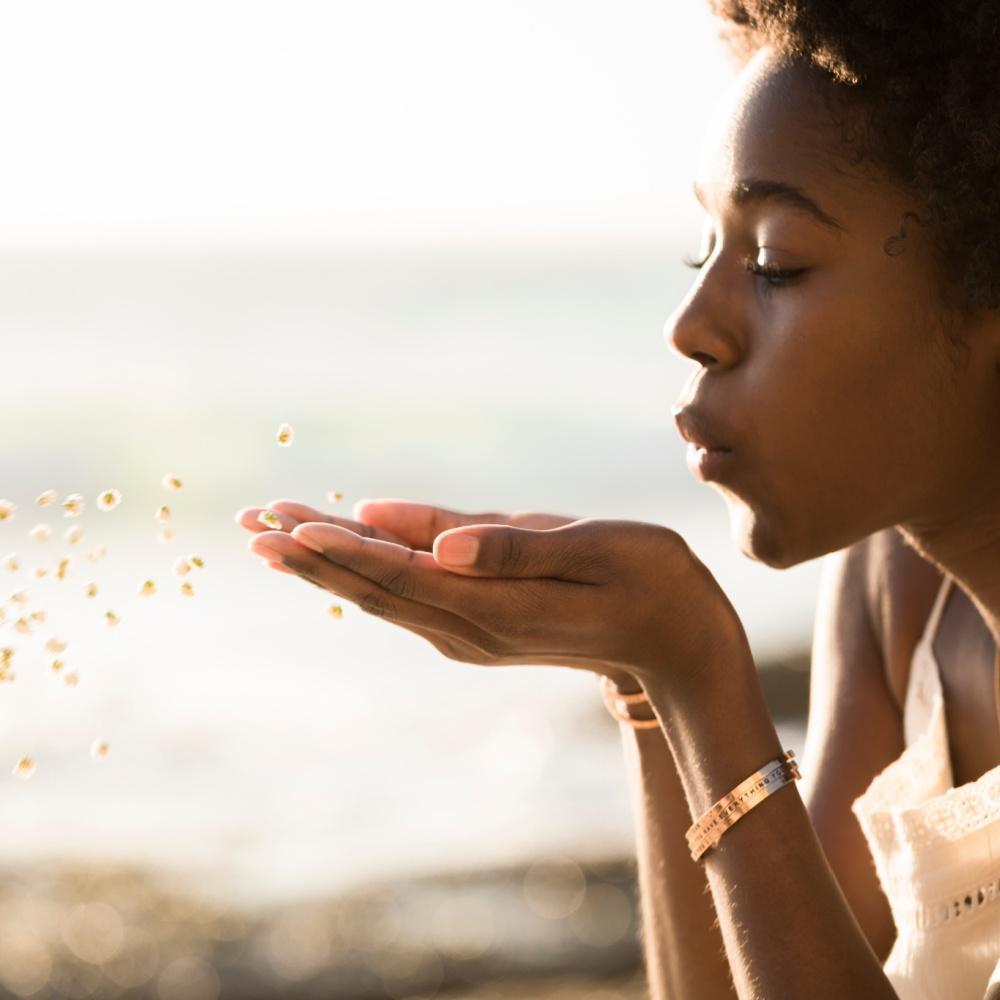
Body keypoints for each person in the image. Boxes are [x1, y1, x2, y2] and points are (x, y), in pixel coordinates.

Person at [236, 2, 1000, 996]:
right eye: (703, 253)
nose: (691, 325)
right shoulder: (898, 588)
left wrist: (699, 672)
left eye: (774, 261)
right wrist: (647, 685)